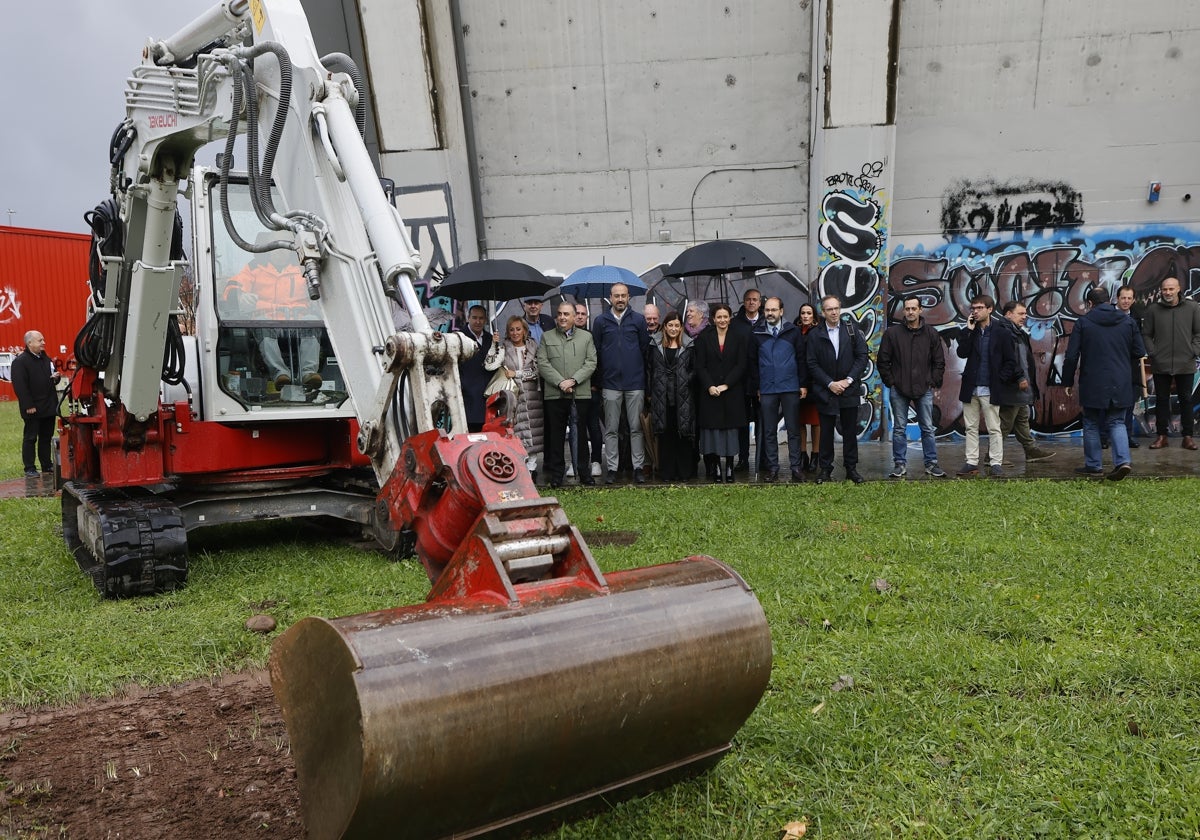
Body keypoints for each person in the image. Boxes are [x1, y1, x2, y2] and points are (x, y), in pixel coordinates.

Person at [1061, 287, 1146, 480]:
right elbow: (1139, 351)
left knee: (1091, 423)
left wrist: (1066, 381)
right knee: (1117, 422)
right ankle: (1123, 461)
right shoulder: (1128, 321)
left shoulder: (1083, 322)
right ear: (1109, 301)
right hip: (1120, 380)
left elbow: (1072, 355)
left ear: (1090, 303)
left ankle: (1093, 465)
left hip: (1092, 380)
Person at [224, 250, 322, 392]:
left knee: (313, 320)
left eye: (282, 251)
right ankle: (280, 374)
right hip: (268, 318)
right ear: (268, 253)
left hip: (298, 319)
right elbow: (233, 285)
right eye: (275, 251)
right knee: (262, 323)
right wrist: (240, 295)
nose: (279, 254)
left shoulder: (302, 269)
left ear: (290, 253)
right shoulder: (254, 268)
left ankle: (309, 372)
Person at [878, 295, 947, 479]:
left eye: (913, 309)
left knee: (927, 427)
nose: (910, 312)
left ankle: (931, 464)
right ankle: (899, 464)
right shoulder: (892, 334)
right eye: (907, 309)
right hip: (899, 389)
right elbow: (883, 361)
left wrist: (932, 380)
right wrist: (891, 382)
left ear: (920, 310)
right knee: (899, 428)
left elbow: (939, 361)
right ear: (903, 311)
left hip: (923, 388)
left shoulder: (931, 333)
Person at [592, 282, 651, 484]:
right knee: (611, 429)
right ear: (610, 296)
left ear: (629, 297)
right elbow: (596, 353)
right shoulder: (601, 321)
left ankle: (637, 468)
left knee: (636, 428)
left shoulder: (638, 320)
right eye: (616, 295)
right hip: (610, 384)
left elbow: (645, 350)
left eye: (623, 295)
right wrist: (599, 381)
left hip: (635, 383)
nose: (620, 299)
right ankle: (612, 468)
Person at [806, 296, 869, 484]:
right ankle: (825, 469)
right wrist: (829, 383)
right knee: (826, 432)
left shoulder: (852, 330)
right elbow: (811, 363)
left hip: (848, 390)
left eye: (836, 308)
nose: (833, 312)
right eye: (829, 309)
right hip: (826, 391)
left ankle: (851, 468)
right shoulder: (815, 335)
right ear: (823, 312)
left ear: (840, 309)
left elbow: (862, 356)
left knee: (850, 431)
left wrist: (847, 380)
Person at [537, 301, 597, 488]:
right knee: (556, 436)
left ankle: (584, 472)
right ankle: (556, 475)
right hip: (555, 396)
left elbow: (591, 362)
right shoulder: (547, 337)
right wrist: (560, 382)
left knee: (580, 435)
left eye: (566, 314)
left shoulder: (586, 337)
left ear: (573, 317)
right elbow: (543, 363)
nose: (562, 317)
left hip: (579, 395)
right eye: (560, 314)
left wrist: (573, 380)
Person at [749, 297, 807, 482]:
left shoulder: (793, 331)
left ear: (781, 311)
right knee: (769, 431)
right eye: (767, 310)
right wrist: (757, 386)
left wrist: (803, 384)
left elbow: (801, 358)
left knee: (793, 430)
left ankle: (796, 467)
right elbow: (752, 363)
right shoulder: (756, 332)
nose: (770, 313)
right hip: (767, 388)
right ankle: (773, 468)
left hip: (790, 386)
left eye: (774, 310)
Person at [990, 301, 1055, 465]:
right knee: (1005, 423)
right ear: (1008, 314)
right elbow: (1009, 360)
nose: (1024, 317)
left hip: (1021, 387)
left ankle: (1031, 450)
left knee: (1021, 419)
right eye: (1021, 314)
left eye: (1025, 314)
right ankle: (992, 456)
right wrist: (1018, 378)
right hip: (1012, 387)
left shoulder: (1018, 333)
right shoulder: (1003, 332)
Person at [1141, 276, 1200, 450]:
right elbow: (1146, 334)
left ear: (1178, 289)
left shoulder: (1193, 308)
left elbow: (1198, 333)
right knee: (1161, 400)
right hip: (1161, 363)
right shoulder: (1153, 310)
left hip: (1185, 363)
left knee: (1186, 400)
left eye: (1171, 289)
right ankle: (1162, 436)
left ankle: (1187, 436)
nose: (1167, 292)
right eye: (1165, 289)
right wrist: (1153, 353)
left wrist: (1193, 352)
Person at [484, 316, 545, 478]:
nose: (515, 333)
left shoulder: (533, 346)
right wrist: (493, 345)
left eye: (519, 329)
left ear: (525, 330)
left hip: (533, 396)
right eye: (512, 329)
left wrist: (516, 373)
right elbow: (489, 364)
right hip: (513, 397)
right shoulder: (503, 347)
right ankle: (520, 466)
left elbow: (538, 370)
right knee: (517, 430)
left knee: (534, 431)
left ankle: (532, 468)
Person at [694, 303, 748, 483]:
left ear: (730, 318)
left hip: (732, 392)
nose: (722, 320)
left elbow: (741, 364)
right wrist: (710, 386)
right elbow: (700, 366)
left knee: (731, 432)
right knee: (715, 432)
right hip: (711, 393)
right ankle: (717, 467)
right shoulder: (703, 337)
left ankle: (730, 467)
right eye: (719, 317)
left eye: (726, 316)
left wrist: (727, 384)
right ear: (713, 319)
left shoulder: (739, 336)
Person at [955, 295, 1005, 476]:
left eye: (979, 308)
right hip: (971, 387)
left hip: (991, 387)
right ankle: (971, 462)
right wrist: (968, 331)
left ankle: (996, 463)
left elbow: (1010, 359)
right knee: (970, 427)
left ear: (990, 309)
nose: (975, 311)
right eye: (973, 308)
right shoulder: (970, 330)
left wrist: (1001, 378)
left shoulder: (1001, 330)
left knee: (994, 427)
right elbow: (962, 353)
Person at [646, 312, 697, 481]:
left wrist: (686, 380)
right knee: (665, 434)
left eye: (677, 325)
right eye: (670, 325)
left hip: (683, 395)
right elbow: (649, 369)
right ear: (665, 327)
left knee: (682, 433)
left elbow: (694, 368)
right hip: (661, 395)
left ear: (681, 327)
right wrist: (650, 391)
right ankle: (666, 472)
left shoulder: (688, 345)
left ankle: (684, 472)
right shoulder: (655, 344)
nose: (673, 329)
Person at [11, 330, 61, 476]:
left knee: (46, 437)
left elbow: (53, 377)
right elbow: (20, 386)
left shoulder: (46, 359)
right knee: (31, 437)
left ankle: (46, 464)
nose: (43, 343)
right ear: (29, 343)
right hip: (33, 408)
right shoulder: (20, 362)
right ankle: (30, 468)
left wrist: (56, 377)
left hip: (49, 406)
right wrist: (28, 405)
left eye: (43, 340)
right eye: (40, 340)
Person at [732, 288, 765, 474]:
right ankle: (743, 458)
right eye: (748, 299)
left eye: (755, 300)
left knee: (764, 421)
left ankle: (764, 458)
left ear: (760, 303)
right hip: (741, 381)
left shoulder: (766, 321)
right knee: (742, 422)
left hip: (762, 379)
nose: (752, 302)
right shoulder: (735, 323)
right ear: (744, 302)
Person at [1115, 284, 1148, 447]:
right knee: (1107, 404)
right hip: (1112, 367)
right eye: (1123, 298)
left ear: (1133, 300)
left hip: (1131, 367)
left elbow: (1140, 343)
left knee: (1128, 404)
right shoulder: (1110, 316)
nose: (1126, 301)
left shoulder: (1137, 316)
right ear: (1117, 299)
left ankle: (1126, 437)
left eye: (1129, 298)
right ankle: (1105, 437)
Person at [794, 302, 822, 472]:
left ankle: (815, 455)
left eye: (809, 313)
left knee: (815, 421)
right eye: (803, 313)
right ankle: (803, 454)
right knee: (800, 421)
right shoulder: (795, 331)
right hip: (798, 381)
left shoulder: (818, 332)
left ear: (814, 316)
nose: (805, 316)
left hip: (815, 382)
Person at [457, 304, 492, 432]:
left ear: (486, 320)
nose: (478, 321)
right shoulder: (459, 338)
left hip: (488, 399)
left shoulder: (490, 339)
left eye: (481, 318)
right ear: (468, 318)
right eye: (474, 318)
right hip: (468, 399)